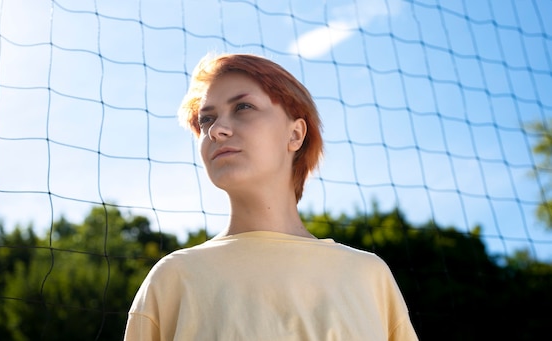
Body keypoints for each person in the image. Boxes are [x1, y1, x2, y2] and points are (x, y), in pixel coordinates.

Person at [123, 53, 418, 340]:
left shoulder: (369, 276)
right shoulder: (171, 279)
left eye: (243, 107)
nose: (216, 130)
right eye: (206, 120)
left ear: (295, 135)